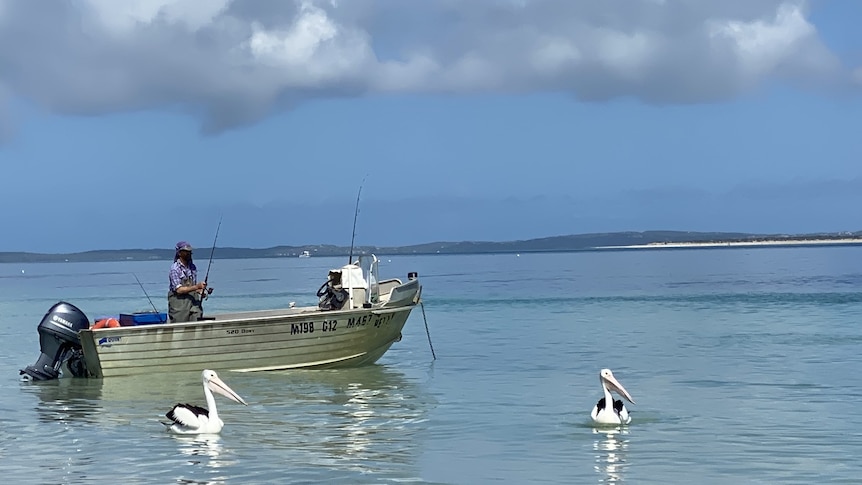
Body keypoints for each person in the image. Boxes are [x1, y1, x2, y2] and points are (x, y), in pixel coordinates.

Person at [168, 241, 213, 323]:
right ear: (179, 253)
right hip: (179, 304)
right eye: (186, 252)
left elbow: (192, 287)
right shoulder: (174, 269)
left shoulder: (192, 267)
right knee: (180, 326)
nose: (189, 253)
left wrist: (201, 291)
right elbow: (179, 290)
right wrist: (197, 287)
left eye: (190, 252)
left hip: (193, 302)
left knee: (196, 320)